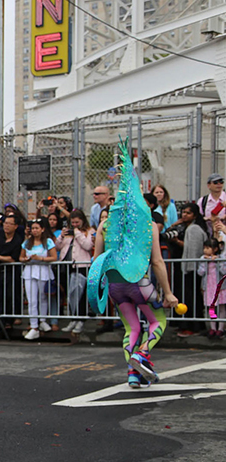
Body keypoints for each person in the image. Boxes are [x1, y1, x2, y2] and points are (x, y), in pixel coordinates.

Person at [89, 143, 178, 389]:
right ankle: (141, 355)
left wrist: (100, 290)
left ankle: (133, 374)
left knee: (132, 327)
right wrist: (168, 292)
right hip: (140, 282)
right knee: (158, 321)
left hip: (116, 285)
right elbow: (157, 261)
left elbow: (97, 262)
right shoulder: (148, 225)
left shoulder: (104, 226)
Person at [56, 209, 94, 334]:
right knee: (70, 293)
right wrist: (61, 236)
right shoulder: (67, 232)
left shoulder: (89, 231)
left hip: (81, 265)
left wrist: (78, 233)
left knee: (80, 294)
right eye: (72, 223)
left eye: (77, 222)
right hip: (66, 265)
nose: (74, 225)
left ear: (82, 221)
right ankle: (73, 318)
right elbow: (57, 247)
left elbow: (88, 246)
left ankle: (81, 319)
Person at [20, 219, 57, 340]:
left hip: (43, 271)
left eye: (37, 228)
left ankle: (42, 320)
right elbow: (20, 257)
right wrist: (25, 259)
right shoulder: (27, 242)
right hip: (30, 272)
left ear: (42, 229)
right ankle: (34, 326)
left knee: (42, 297)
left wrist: (40, 258)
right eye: (33, 228)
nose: (35, 231)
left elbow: (54, 257)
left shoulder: (48, 242)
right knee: (32, 299)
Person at [174, 202, 207, 337]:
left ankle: (193, 326)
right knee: (188, 297)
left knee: (192, 297)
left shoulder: (194, 229)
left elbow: (193, 251)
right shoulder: (185, 227)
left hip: (191, 269)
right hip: (188, 268)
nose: (184, 215)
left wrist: (189, 268)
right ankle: (188, 325)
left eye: (188, 213)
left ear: (194, 215)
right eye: (183, 212)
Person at [0, 214, 24, 333]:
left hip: (11, 272)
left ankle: (9, 321)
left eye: (9, 224)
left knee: (10, 296)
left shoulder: (18, 239)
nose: (6, 226)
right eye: (5, 223)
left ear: (16, 226)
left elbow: (14, 258)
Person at [197, 238, 226, 339]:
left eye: (208, 248)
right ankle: (212, 328)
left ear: (215, 249)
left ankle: (221, 329)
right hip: (209, 286)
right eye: (204, 248)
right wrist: (205, 262)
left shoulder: (221, 257)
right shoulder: (202, 258)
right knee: (211, 308)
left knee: (222, 307)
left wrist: (217, 261)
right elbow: (200, 272)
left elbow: (224, 271)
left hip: (220, 286)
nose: (205, 250)